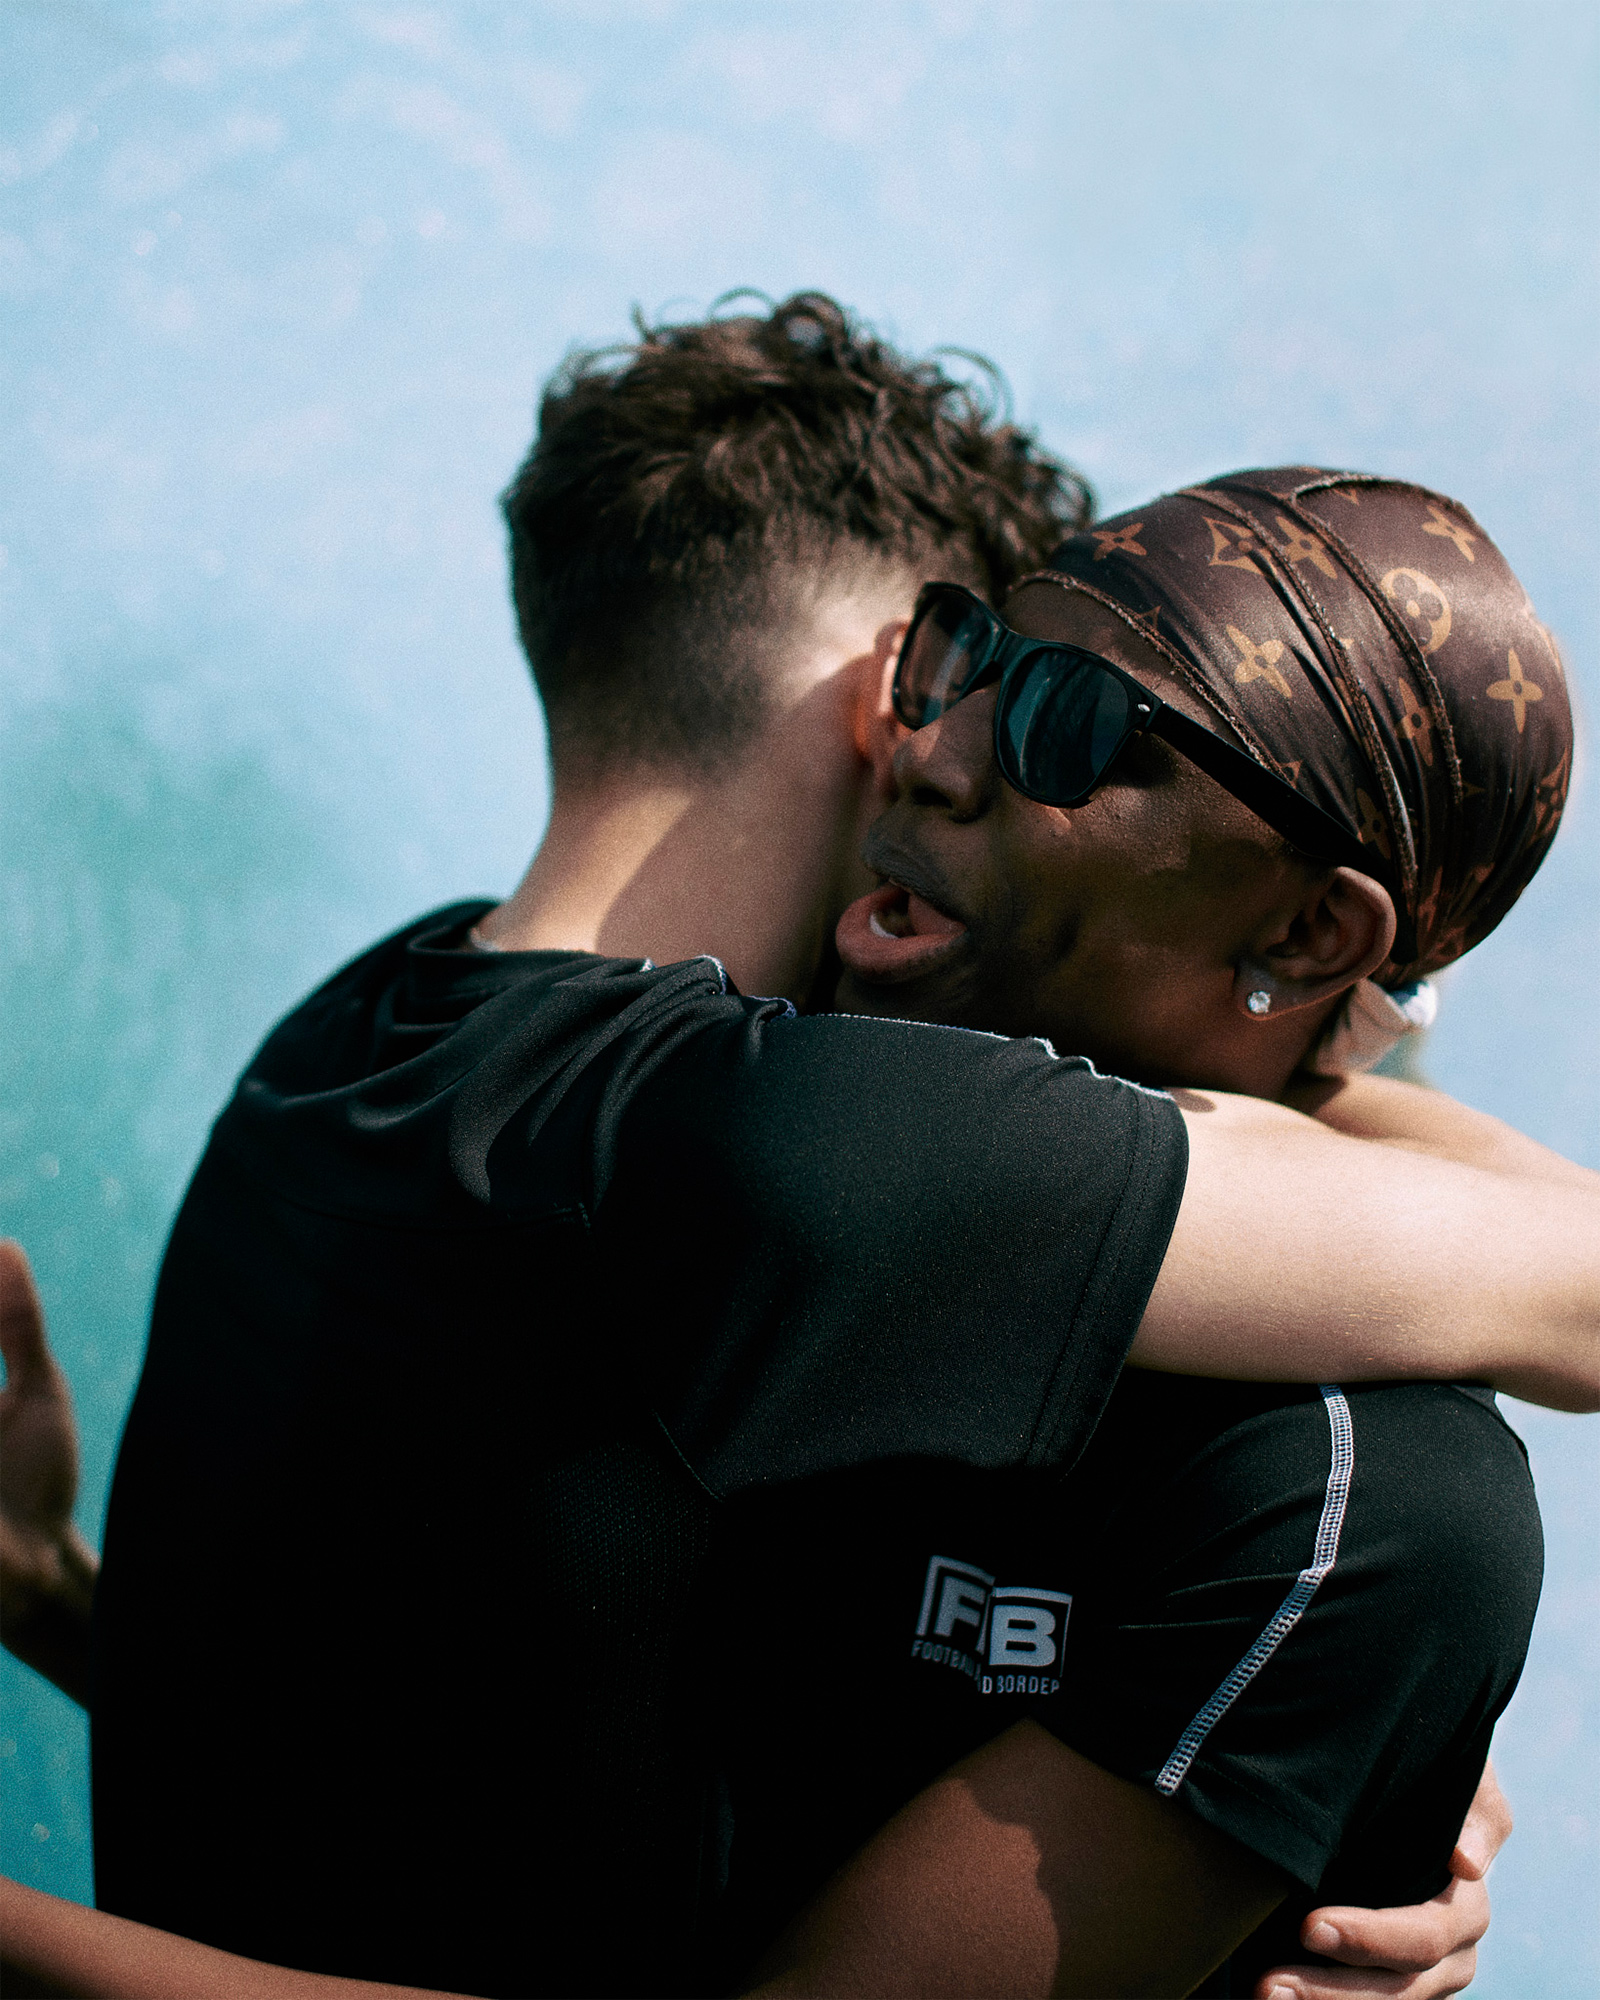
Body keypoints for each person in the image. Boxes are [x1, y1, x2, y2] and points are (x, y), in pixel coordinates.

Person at [2, 299, 1593, 1999]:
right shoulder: (803, 1135)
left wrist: (1259, 1784)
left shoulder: (355, 1035)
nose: (948, 742)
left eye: (1052, 714)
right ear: (876, 687)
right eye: (958, 666)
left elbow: (430, 1743)